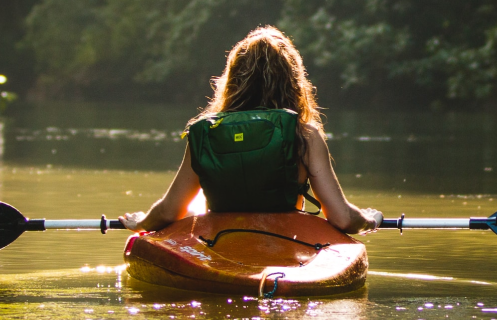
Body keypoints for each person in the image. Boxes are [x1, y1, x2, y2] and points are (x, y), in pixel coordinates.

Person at [120, 27, 382, 235]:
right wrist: (369, 219)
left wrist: (142, 221)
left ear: (232, 80)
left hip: (220, 241)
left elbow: (168, 212)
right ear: (293, 81)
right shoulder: (305, 136)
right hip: (286, 240)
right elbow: (342, 219)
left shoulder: (206, 133)